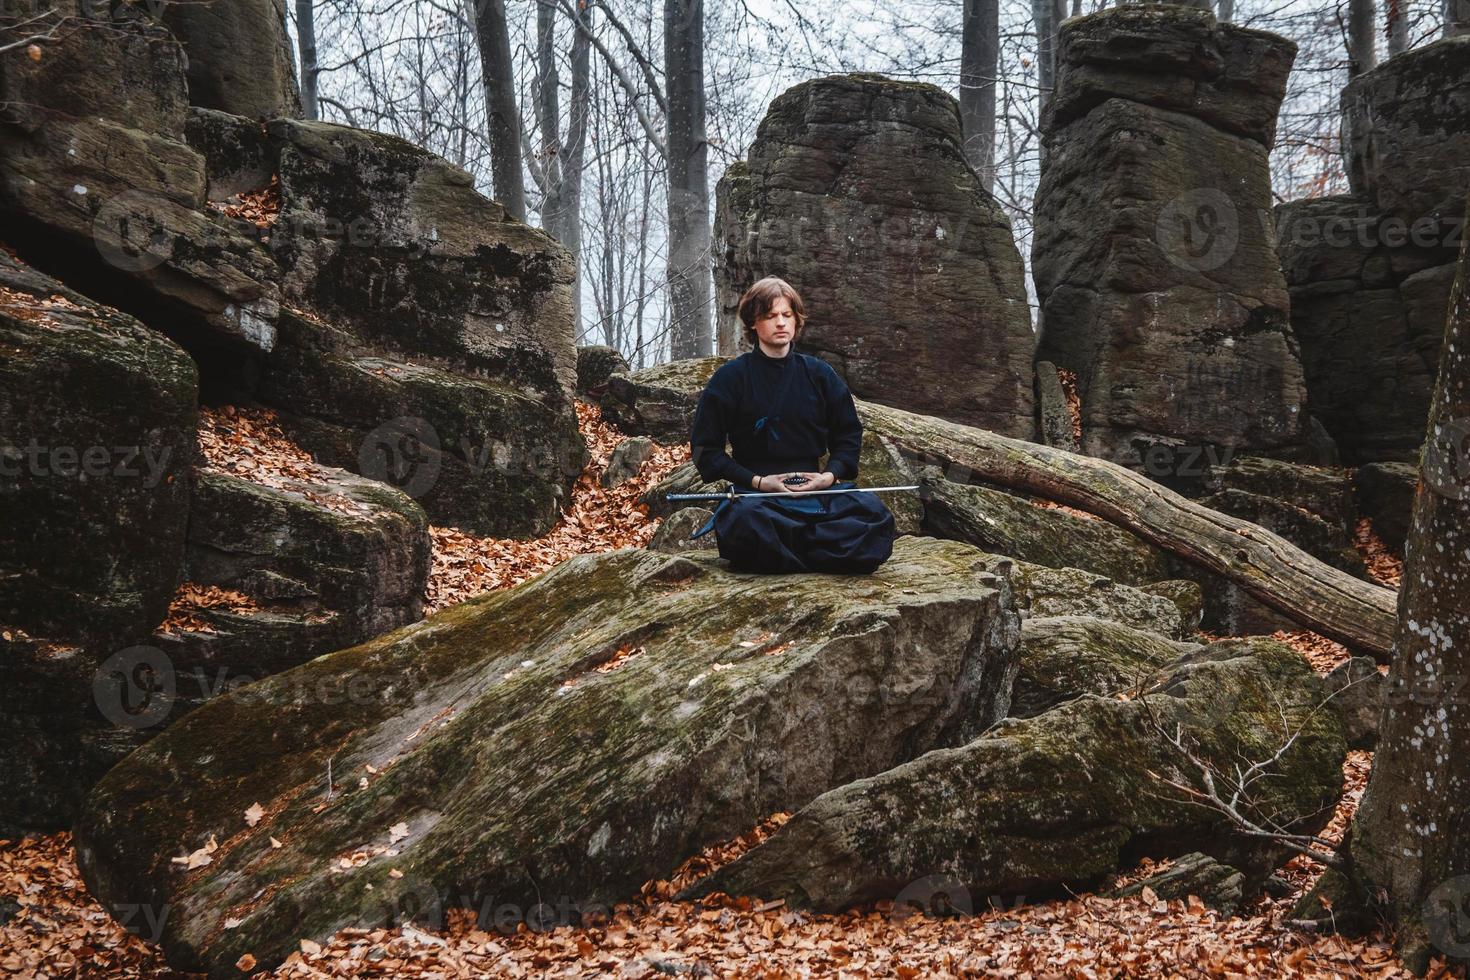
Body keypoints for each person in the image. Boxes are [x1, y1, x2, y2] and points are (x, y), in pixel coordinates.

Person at [687, 276, 896, 574]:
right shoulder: (730, 379)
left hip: (816, 493)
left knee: (874, 516)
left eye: (787, 315)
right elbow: (706, 448)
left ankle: (787, 551)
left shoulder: (820, 374)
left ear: (797, 321)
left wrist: (828, 477)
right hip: (759, 498)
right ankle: (822, 552)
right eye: (771, 316)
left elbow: (848, 433)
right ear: (753, 323)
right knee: (744, 523)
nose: (781, 323)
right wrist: (758, 482)